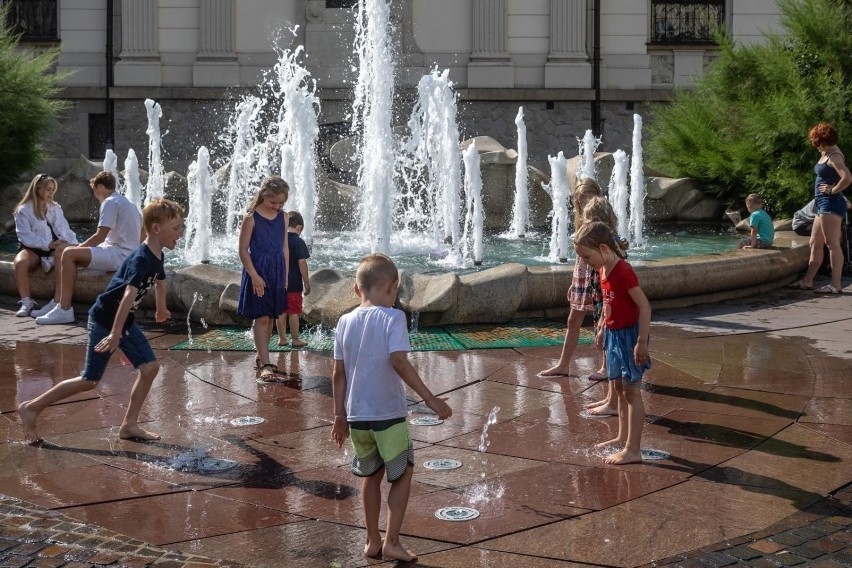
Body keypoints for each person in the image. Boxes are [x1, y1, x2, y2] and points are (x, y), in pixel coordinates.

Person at [17, 199, 185, 443]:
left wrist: (161, 308)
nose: (180, 233)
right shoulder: (142, 259)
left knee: (149, 368)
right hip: (106, 320)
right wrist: (115, 334)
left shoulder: (156, 254)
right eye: (176, 228)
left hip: (122, 322)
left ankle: (129, 425)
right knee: (89, 379)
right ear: (157, 229)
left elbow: (160, 280)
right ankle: (32, 407)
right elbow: (127, 296)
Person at [331, 253, 452, 562]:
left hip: (358, 416)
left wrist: (339, 417)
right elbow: (399, 361)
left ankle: (372, 541)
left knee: (370, 477)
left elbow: (338, 374)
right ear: (393, 287)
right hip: (388, 415)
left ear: (357, 290)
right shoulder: (393, 317)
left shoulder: (344, 322)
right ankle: (392, 541)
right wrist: (430, 398)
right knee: (402, 473)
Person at [574, 221, 651, 465]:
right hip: (614, 334)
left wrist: (641, 342)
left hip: (630, 337)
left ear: (603, 248)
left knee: (631, 391)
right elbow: (609, 303)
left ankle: (633, 449)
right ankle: (621, 437)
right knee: (617, 387)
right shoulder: (603, 270)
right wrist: (601, 326)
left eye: (587, 256)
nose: (586, 262)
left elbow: (645, 306)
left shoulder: (623, 271)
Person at [33, 171, 142, 325]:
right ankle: (57, 301)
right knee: (61, 250)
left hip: (118, 255)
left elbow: (100, 236)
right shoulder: (128, 203)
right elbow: (143, 234)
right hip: (119, 252)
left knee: (69, 254)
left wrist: (77, 250)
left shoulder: (110, 201)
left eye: (94, 189)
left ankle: (65, 310)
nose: (95, 194)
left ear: (100, 187)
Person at [539, 178, 609, 381]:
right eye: (579, 202)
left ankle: (605, 366)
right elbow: (581, 256)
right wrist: (573, 282)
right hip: (582, 274)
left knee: (602, 321)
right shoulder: (581, 220)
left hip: (598, 274)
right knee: (573, 320)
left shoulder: (601, 221)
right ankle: (563, 364)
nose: (583, 205)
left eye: (586, 200)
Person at [578, 196, 629, 418]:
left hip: (612, 313)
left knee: (613, 354)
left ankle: (613, 402)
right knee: (609, 351)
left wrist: (602, 323)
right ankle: (610, 398)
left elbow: (614, 295)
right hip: (607, 308)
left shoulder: (611, 260)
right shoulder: (610, 250)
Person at [238, 175, 290, 381]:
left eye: (281, 203)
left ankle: (262, 357)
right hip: (257, 270)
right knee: (261, 316)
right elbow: (242, 250)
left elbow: (285, 247)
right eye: (273, 202)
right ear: (263, 196)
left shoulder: (284, 217)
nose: (277, 206)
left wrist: (285, 276)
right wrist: (254, 276)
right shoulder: (251, 217)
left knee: (270, 317)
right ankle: (266, 365)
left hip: (277, 270)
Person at [788, 122, 851, 294]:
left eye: (817, 143)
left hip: (830, 204)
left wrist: (832, 190)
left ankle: (835, 284)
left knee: (832, 245)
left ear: (824, 141)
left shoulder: (834, 156)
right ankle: (808, 281)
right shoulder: (827, 151)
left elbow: (847, 178)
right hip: (821, 204)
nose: (815, 147)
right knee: (815, 243)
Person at [13, 173, 79, 317]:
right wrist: (49, 244)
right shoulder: (23, 210)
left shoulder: (55, 207)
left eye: (52, 189)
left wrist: (74, 245)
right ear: (38, 189)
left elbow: (64, 229)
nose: (51, 193)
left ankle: (56, 303)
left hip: (55, 247)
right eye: (48, 189)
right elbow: (26, 237)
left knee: (63, 255)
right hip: (34, 248)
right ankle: (27, 302)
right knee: (20, 263)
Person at [276, 211, 311, 348]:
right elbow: (302, 263)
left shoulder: (279, 240)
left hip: (279, 283)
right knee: (294, 312)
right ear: (299, 227)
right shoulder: (299, 242)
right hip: (294, 284)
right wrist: (306, 282)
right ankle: (295, 339)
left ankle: (282, 338)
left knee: (281, 311)